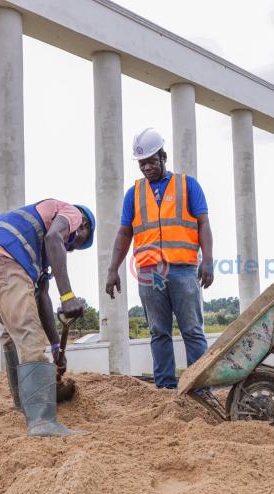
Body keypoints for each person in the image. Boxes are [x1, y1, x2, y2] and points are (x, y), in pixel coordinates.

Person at [0, 199, 95, 437]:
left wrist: (56, 347)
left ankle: (24, 404)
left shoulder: (37, 252)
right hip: (4, 260)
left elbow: (42, 297)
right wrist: (68, 296)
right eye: (76, 243)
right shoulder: (73, 213)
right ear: (83, 226)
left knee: (13, 332)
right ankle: (43, 423)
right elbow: (54, 238)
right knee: (29, 336)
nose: (68, 248)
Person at [105, 127, 214, 393]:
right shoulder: (134, 193)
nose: (146, 168)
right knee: (158, 332)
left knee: (192, 330)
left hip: (184, 270)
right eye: (142, 163)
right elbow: (124, 233)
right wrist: (112, 269)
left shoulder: (188, 185)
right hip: (149, 273)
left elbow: (203, 223)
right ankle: (165, 388)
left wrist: (208, 259)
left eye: (151, 161)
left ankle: (199, 389)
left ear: (163, 157)